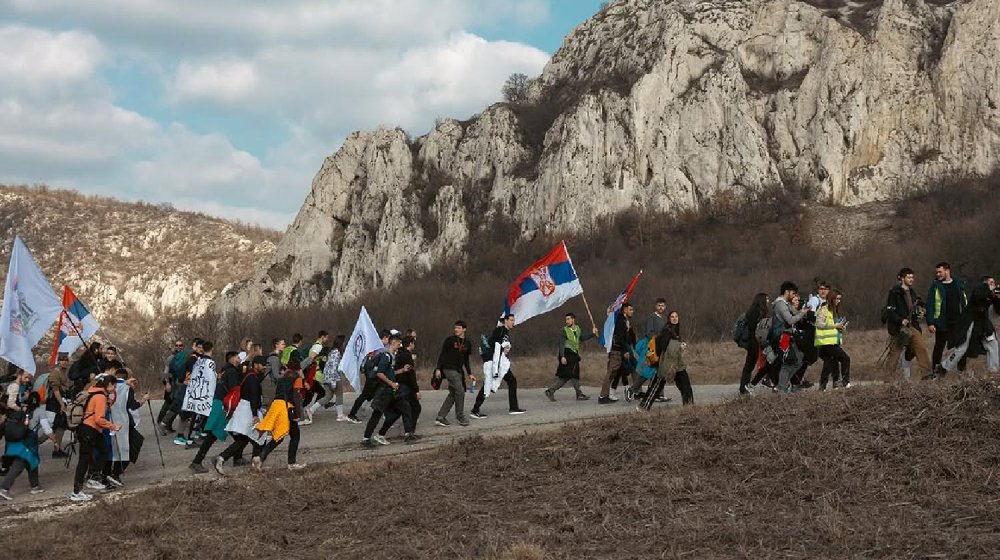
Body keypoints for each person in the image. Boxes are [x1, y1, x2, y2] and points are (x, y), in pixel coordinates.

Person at [0, 371, 59, 500]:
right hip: (28, 441)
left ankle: (35, 486)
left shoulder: (23, 409)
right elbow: (47, 429)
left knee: (32, 461)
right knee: (20, 463)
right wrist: (55, 441)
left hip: (18, 439)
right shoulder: (38, 412)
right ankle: (4, 488)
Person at [933, 276, 1000, 377]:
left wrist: (997, 298)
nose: (993, 284)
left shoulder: (991, 294)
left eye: (994, 283)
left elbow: (998, 310)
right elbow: (978, 296)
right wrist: (992, 292)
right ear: (984, 283)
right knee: (961, 348)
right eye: (990, 282)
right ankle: (942, 368)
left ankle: (994, 374)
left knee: (993, 344)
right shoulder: (979, 287)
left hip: (982, 325)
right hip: (969, 322)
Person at [70, 374, 122, 502]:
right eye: (114, 386)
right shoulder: (100, 397)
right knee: (84, 460)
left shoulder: (93, 391)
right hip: (90, 430)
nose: (114, 388)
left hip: (90, 429)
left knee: (104, 450)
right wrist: (112, 426)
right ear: (108, 385)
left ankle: (93, 477)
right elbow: (99, 419)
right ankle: (76, 491)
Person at [190, 350, 241, 473]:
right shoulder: (232, 372)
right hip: (222, 405)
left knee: (231, 434)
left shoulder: (224, 371)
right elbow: (234, 391)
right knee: (217, 435)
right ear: (232, 359)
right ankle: (197, 461)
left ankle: (237, 457)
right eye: (237, 357)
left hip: (218, 403)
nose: (239, 360)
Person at [216, 356, 267, 474]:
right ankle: (255, 463)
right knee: (259, 437)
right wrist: (255, 415)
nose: (264, 367)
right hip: (248, 411)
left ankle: (223, 458)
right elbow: (254, 397)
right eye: (262, 364)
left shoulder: (249, 376)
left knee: (245, 439)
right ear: (256, 365)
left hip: (244, 409)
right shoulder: (253, 379)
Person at [471, 314, 524, 417]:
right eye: (511, 320)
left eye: (514, 320)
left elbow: (500, 346)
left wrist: (504, 348)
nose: (513, 322)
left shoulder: (505, 332)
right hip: (495, 362)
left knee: (512, 381)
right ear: (505, 321)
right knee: (488, 385)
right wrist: (501, 348)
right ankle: (475, 410)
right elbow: (492, 343)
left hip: (500, 363)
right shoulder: (500, 330)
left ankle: (513, 407)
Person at [883, 268, 932, 380]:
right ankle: (888, 380)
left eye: (912, 277)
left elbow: (914, 308)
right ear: (902, 278)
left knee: (921, 347)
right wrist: (900, 320)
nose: (911, 279)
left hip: (912, 326)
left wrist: (920, 313)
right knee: (894, 354)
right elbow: (890, 311)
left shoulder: (912, 292)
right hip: (898, 328)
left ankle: (927, 375)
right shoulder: (894, 293)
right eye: (909, 277)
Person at [639, 311, 692, 409]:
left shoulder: (676, 331)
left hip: (676, 364)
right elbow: (664, 346)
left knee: (685, 385)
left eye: (676, 316)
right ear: (669, 319)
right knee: (656, 386)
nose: (675, 318)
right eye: (672, 317)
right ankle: (643, 407)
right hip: (665, 363)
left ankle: (689, 408)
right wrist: (679, 345)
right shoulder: (666, 330)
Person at [257, 362, 306, 470]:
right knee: (295, 436)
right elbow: (296, 396)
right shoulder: (297, 379)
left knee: (278, 436)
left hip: (276, 405)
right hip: (286, 407)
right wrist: (299, 415)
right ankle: (291, 463)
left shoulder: (281, 380)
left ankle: (260, 458)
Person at [107, 363, 149, 483]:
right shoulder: (127, 388)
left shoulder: (110, 386)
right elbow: (132, 405)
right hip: (124, 422)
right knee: (131, 446)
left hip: (110, 421)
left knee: (114, 448)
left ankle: (109, 473)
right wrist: (143, 400)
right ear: (126, 377)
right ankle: (116, 473)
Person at [375, 336, 421, 443]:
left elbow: (398, 371)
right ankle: (408, 433)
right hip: (403, 387)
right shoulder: (404, 355)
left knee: (405, 410)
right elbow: (410, 374)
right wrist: (416, 390)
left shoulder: (399, 354)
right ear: (411, 344)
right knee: (406, 409)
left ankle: (408, 432)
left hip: (399, 386)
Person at [362, 334, 403, 447]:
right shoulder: (386, 356)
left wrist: (401, 371)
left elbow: (389, 372)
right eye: (398, 344)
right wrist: (392, 383)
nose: (399, 346)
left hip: (390, 390)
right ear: (393, 343)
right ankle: (366, 438)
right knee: (377, 414)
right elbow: (380, 373)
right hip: (384, 390)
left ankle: (380, 434)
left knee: (398, 410)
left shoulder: (391, 357)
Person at [545, 312, 598, 401]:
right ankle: (579, 394)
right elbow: (561, 344)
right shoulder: (564, 330)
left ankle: (551, 390)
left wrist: (592, 334)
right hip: (567, 353)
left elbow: (581, 338)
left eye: (569, 319)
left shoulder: (577, 329)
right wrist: (562, 356)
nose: (567, 321)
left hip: (574, 353)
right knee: (574, 373)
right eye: (566, 319)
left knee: (566, 376)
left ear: (573, 319)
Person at [433, 321, 474, 427]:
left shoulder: (467, 343)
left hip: (459, 370)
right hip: (448, 369)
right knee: (460, 391)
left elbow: (466, 360)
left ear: (464, 329)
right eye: (455, 328)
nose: (456, 330)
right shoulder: (449, 340)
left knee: (453, 394)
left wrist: (469, 373)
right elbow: (442, 355)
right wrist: (438, 369)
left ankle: (440, 417)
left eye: (459, 328)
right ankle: (460, 416)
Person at [927, 262, 967, 369]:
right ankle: (935, 371)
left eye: (940, 272)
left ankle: (962, 372)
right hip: (942, 322)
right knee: (939, 347)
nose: (938, 274)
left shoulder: (958, 283)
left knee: (960, 347)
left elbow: (964, 301)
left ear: (947, 271)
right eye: (937, 272)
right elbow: (930, 304)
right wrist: (930, 322)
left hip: (957, 321)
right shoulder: (935, 286)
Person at [346, 330, 392, 424]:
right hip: (372, 376)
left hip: (375, 375)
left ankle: (376, 412)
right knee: (365, 395)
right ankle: (352, 414)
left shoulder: (381, 346)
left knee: (375, 394)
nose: (389, 342)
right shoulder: (377, 347)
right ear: (385, 338)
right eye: (389, 339)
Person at [773, 281, 810, 393]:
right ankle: (781, 389)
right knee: (789, 362)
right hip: (783, 337)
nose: (794, 296)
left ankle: (781, 386)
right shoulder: (780, 304)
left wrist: (804, 310)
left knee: (798, 360)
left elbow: (795, 313)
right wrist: (802, 313)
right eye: (793, 293)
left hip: (788, 336)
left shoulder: (785, 303)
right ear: (786, 292)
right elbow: (790, 319)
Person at [599, 302, 636, 404]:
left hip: (621, 350)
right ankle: (603, 396)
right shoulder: (620, 321)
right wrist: (625, 351)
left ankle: (632, 391)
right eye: (630, 309)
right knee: (611, 373)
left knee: (620, 372)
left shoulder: (625, 321)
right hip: (616, 350)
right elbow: (619, 338)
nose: (632, 311)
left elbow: (629, 337)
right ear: (624, 310)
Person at [816, 290, 850, 390]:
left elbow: (836, 327)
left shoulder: (835, 311)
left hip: (833, 342)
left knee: (828, 364)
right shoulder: (824, 309)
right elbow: (819, 323)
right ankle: (845, 382)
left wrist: (842, 327)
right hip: (826, 343)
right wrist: (834, 325)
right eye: (837, 299)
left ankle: (823, 387)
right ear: (832, 298)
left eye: (840, 299)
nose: (839, 301)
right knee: (845, 358)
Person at [739, 293, 770, 395]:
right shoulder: (757, 312)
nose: (768, 301)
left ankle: (744, 386)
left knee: (749, 365)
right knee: (749, 365)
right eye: (767, 299)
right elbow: (756, 328)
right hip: (754, 341)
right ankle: (744, 387)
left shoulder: (753, 311)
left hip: (752, 341)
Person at [45, 353, 71, 457]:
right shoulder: (55, 373)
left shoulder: (64, 372)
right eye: (61, 360)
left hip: (60, 401)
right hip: (53, 403)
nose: (64, 362)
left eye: (65, 360)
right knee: (50, 426)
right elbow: (55, 390)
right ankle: (32, 444)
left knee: (61, 425)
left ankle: (57, 449)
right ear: (58, 361)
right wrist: (61, 404)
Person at [316, 335, 347, 420]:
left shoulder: (331, 351)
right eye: (344, 342)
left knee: (328, 397)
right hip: (334, 378)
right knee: (339, 395)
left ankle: (311, 409)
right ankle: (340, 415)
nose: (344, 344)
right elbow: (333, 366)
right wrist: (333, 381)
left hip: (326, 377)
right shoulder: (337, 353)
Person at [156, 340, 184, 427]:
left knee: (177, 404)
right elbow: (166, 372)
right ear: (175, 346)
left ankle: (168, 424)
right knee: (168, 402)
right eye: (177, 345)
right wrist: (167, 383)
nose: (178, 347)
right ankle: (160, 421)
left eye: (180, 345)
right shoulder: (171, 358)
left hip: (179, 383)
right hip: (171, 382)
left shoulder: (184, 357)